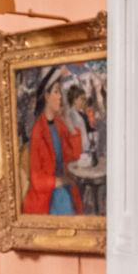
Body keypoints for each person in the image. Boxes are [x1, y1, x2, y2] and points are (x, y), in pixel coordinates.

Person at [23, 75, 84, 215]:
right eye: (56, 92)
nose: (61, 97)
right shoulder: (38, 131)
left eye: (60, 92)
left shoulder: (59, 124)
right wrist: (61, 181)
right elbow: (36, 180)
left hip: (64, 185)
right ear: (46, 96)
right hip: (47, 195)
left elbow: (75, 156)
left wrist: (69, 125)